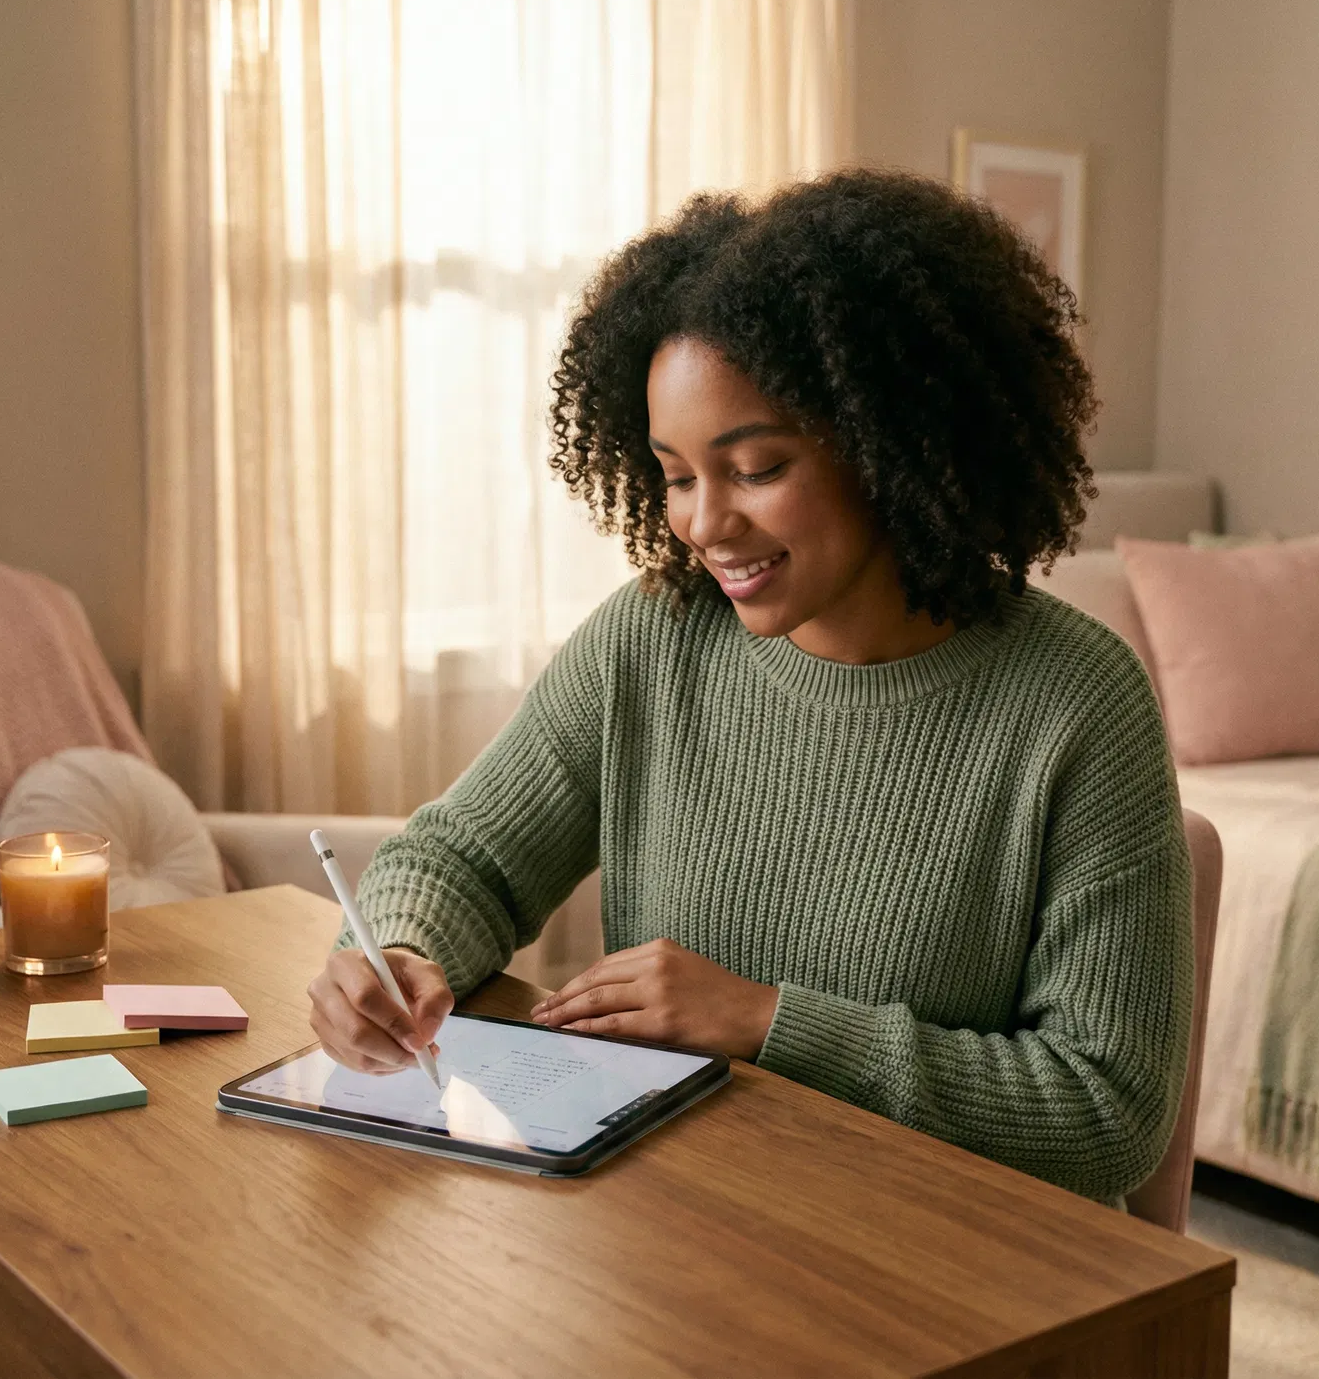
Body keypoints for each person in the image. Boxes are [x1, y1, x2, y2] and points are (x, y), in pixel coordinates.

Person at [306, 168, 1193, 1203]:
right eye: (677, 475)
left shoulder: (1078, 705)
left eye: (756, 468)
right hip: (686, 1233)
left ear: (892, 446)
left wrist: (769, 1022)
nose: (701, 523)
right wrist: (397, 956)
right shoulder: (656, 639)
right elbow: (464, 857)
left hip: (944, 1270)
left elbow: (1106, 1113)